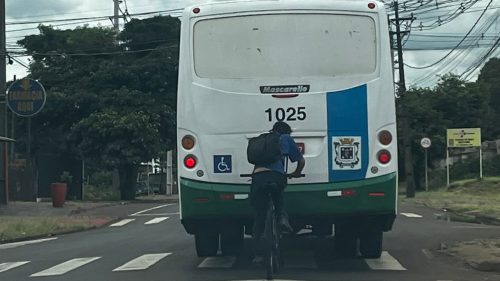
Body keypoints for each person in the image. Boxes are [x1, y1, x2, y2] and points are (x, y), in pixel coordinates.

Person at [250, 121, 305, 264]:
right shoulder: (286, 138)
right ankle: (282, 219)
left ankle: (257, 255)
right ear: (287, 131)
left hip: (258, 177)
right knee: (279, 198)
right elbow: (301, 161)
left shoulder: (262, 139)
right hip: (277, 176)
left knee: (259, 215)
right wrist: (296, 173)